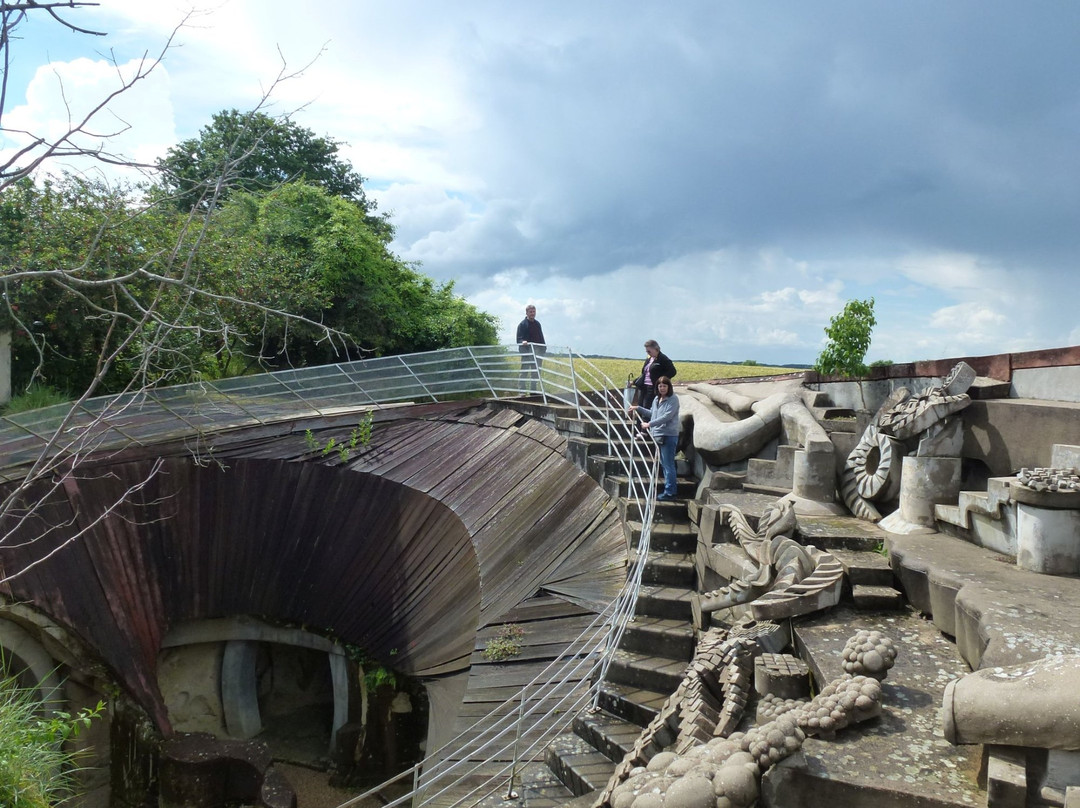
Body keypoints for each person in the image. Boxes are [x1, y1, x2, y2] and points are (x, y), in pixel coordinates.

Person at [628, 375, 681, 501]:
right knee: (664, 464)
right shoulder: (657, 399)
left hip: (668, 435)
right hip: (658, 435)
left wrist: (649, 424)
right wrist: (638, 408)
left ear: (669, 387)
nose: (662, 388)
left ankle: (670, 492)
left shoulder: (673, 399)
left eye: (665, 386)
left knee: (668, 465)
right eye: (660, 386)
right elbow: (653, 413)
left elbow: (667, 417)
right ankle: (669, 490)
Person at [634, 340, 676, 409]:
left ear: (655, 349)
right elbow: (645, 373)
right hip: (644, 386)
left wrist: (661, 380)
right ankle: (639, 420)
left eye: (649, 351)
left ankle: (647, 420)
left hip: (653, 387)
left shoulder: (663, 358)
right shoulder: (649, 359)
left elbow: (673, 371)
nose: (648, 353)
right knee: (640, 406)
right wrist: (634, 381)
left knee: (647, 406)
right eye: (647, 351)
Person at [516, 304, 547, 392]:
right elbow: (519, 338)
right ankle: (521, 392)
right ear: (526, 313)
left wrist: (544, 348)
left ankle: (533, 392)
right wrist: (523, 342)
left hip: (537, 352)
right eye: (530, 312)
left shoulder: (537, 324)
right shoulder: (522, 324)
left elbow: (541, 337)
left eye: (534, 312)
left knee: (536, 373)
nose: (532, 313)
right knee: (524, 372)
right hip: (527, 352)